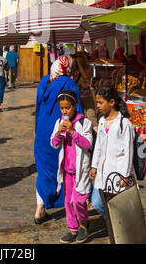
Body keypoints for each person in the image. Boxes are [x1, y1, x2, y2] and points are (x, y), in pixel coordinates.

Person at [34, 55, 83, 223]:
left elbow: (38, 107)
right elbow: (78, 110)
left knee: (43, 171)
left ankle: (40, 208)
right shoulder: (70, 84)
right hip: (60, 131)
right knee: (62, 169)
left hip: (42, 131)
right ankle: (76, 207)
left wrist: (37, 132)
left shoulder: (44, 81)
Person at [51, 90, 93, 244]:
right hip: (67, 170)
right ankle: (73, 228)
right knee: (68, 201)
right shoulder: (58, 122)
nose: (64, 111)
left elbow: (87, 144)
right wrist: (58, 134)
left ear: (75, 105)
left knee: (79, 201)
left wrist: (72, 132)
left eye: (67, 107)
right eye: (62, 108)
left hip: (81, 170)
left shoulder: (84, 123)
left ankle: (83, 224)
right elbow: (54, 144)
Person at [89, 86, 135, 219]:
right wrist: (94, 166)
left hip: (118, 174)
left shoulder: (124, 124)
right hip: (103, 173)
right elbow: (98, 146)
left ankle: (117, 231)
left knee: (118, 205)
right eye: (97, 102)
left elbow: (128, 151)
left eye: (100, 102)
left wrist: (125, 175)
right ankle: (113, 226)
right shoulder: (102, 122)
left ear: (112, 102)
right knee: (97, 203)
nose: (98, 106)